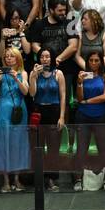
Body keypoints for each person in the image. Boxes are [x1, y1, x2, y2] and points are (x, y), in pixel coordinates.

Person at [0, 48, 27, 190]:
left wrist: (17, 78)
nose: (9, 59)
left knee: (18, 143)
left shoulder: (23, 73)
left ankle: (16, 179)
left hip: (19, 111)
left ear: (17, 58)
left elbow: (26, 92)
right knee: (3, 143)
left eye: (12, 56)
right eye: (6, 56)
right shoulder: (1, 76)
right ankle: (5, 180)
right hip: (3, 111)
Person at [27, 46, 65, 189]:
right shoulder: (35, 73)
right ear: (39, 59)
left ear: (52, 58)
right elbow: (31, 94)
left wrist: (62, 117)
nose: (45, 59)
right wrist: (32, 76)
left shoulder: (58, 73)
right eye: (42, 56)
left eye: (47, 56)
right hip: (38, 111)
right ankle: (39, 178)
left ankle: (51, 179)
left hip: (54, 111)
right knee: (38, 147)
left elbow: (63, 96)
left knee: (53, 148)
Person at [73, 48, 105, 191]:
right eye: (91, 60)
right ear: (87, 62)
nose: (94, 63)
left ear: (101, 62)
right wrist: (79, 83)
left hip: (101, 116)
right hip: (83, 116)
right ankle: (77, 179)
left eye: (97, 60)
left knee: (103, 149)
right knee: (81, 149)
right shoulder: (82, 76)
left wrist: (88, 102)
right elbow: (79, 98)